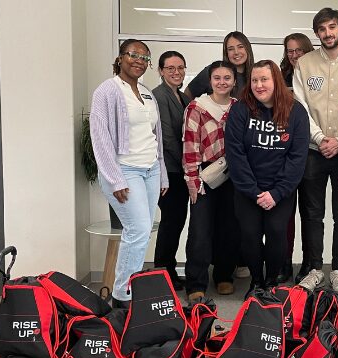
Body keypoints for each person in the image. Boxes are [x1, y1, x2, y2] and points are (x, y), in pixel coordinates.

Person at [90, 39, 168, 308]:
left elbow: (155, 137)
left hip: (151, 169)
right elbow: (99, 137)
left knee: (142, 233)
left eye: (145, 57)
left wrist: (163, 175)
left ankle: (130, 287)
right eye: (133, 55)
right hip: (124, 170)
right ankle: (122, 296)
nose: (139, 60)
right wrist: (114, 178)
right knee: (138, 229)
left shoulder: (146, 93)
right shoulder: (107, 91)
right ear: (120, 58)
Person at [225, 60, 309, 299]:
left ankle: (272, 281)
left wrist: (276, 193)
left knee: (276, 232)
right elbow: (235, 154)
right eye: (254, 80)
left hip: (280, 190)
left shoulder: (296, 111)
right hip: (247, 189)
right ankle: (257, 281)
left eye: (264, 80)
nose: (259, 85)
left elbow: (296, 157)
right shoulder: (241, 109)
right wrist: (253, 191)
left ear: (276, 82)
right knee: (250, 235)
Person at [293, 8, 338, 293]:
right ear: (317, 33)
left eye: (332, 27)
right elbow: (300, 106)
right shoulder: (304, 64)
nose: (327, 33)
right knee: (312, 213)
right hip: (313, 150)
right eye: (321, 29)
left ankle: (337, 270)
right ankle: (314, 268)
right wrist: (321, 138)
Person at [182, 61, 241, 301]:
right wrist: (193, 179)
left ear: (234, 82)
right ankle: (196, 282)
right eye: (217, 78)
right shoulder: (196, 108)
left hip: (234, 175)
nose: (222, 82)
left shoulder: (240, 108)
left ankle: (224, 275)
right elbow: (189, 145)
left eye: (227, 78)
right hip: (204, 175)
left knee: (230, 228)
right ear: (210, 80)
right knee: (200, 229)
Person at [151, 51, 191, 291]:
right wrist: (188, 165)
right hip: (169, 172)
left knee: (175, 223)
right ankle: (162, 274)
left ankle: (169, 271)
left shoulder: (182, 97)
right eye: (171, 68)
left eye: (181, 67)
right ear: (161, 71)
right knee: (170, 224)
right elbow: (167, 138)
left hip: (180, 171)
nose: (176, 72)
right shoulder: (158, 96)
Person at [276, 32, 314, 284]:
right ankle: (283, 264)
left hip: (312, 151)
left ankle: (310, 265)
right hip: (284, 153)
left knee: (310, 213)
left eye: (299, 50)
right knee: (285, 215)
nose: (294, 55)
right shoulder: (279, 77)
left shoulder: (317, 75)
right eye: (290, 50)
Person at [185, 31, 254, 99]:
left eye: (240, 47)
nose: (236, 52)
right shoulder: (213, 71)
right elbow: (188, 94)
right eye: (230, 49)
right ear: (226, 53)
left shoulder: (256, 73)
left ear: (247, 48)